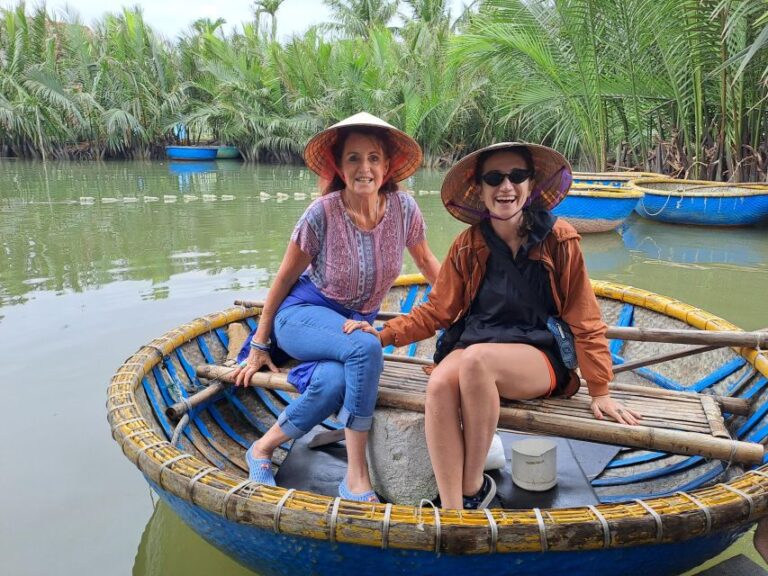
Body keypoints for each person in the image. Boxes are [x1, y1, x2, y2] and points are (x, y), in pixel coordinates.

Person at [348, 142, 641, 510]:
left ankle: (473, 487)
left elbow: (585, 318)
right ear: (481, 190)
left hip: (539, 356)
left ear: (530, 184)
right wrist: (382, 334)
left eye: (517, 176)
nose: (506, 186)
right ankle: (453, 511)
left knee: (474, 361)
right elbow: (437, 311)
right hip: (477, 349)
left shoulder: (559, 239)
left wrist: (600, 389)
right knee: (439, 382)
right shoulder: (469, 245)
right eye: (494, 178)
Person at [233, 112, 440, 502]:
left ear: (388, 166)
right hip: (301, 317)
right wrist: (260, 342)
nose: (365, 168)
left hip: (350, 326)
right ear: (340, 168)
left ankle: (261, 447)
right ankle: (356, 477)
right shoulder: (321, 213)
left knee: (333, 383)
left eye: (374, 158)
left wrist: (463, 312)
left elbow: (430, 266)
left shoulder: (404, 210)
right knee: (366, 346)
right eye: (354, 159)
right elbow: (282, 279)